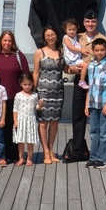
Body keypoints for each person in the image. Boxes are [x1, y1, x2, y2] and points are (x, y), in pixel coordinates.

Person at [65, 9, 106, 163]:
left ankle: (99, 154)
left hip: (99, 81)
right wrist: (70, 69)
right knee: (78, 115)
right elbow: (66, 62)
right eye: (87, 21)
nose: (90, 24)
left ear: (97, 23)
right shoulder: (76, 37)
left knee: (98, 121)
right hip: (81, 78)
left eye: (93, 21)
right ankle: (78, 150)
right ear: (83, 23)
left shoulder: (104, 40)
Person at [0, 30, 30, 163]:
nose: (7, 43)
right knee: (1, 126)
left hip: (16, 97)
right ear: (0, 41)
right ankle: (1, 154)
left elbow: (26, 75)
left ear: (13, 42)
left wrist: (29, 92)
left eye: (9, 40)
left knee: (14, 126)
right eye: (5, 40)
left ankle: (14, 154)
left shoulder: (19, 56)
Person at [83, 36, 106, 169]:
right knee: (93, 132)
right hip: (93, 103)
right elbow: (90, 86)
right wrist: (87, 103)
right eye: (97, 50)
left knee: (104, 132)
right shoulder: (91, 66)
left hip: (104, 103)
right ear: (93, 51)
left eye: (102, 50)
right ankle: (93, 157)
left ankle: (103, 158)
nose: (99, 52)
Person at [33, 25, 65, 164]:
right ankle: (45, 152)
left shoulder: (62, 51)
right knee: (43, 123)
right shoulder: (39, 52)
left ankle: (51, 150)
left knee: (54, 122)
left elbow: (66, 68)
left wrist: (76, 68)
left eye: (52, 34)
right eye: (47, 35)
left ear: (56, 35)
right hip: (43, 92)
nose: (50, 37)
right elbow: (35, 72)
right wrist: (34, 92)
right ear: (44, 37)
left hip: (58, 92)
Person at [12, 73, 40, 166]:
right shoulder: (18, 95)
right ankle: (21, 158)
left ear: (32, 84)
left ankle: (29, 158)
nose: (27, 87)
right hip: (21, 120)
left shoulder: (35, 95)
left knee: (30, 141)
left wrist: (40, 105)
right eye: (25, 84)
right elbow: (15, 108)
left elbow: (37, 107)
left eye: (29, 84)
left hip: (30, 120)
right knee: (20, 141)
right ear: (21, 84)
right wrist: (15, 121)